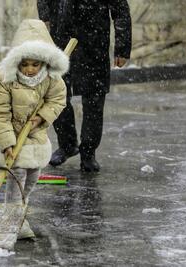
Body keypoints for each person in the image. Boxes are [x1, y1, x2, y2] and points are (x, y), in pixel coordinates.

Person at [0, 19, 68, 239]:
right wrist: (6, 144)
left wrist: (41, 117)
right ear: (17, 60)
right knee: (17, 176)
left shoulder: (52, 79)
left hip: (37, 137)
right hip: (12, 137)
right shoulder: (3, 78)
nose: (30, 69)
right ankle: (13, 220)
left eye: (35, 64)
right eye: (25, 64)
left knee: (32, 176)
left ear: (44, 62)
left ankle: (19, 208)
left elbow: (58, 100)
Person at [37, 0, 132, 171]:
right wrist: (44, 16)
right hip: (61, 37)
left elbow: (120, 10)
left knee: (94, 99)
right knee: (57, 94)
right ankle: (67, 144)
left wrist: (122, 48)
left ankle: (88, 152)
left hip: (94, 40)